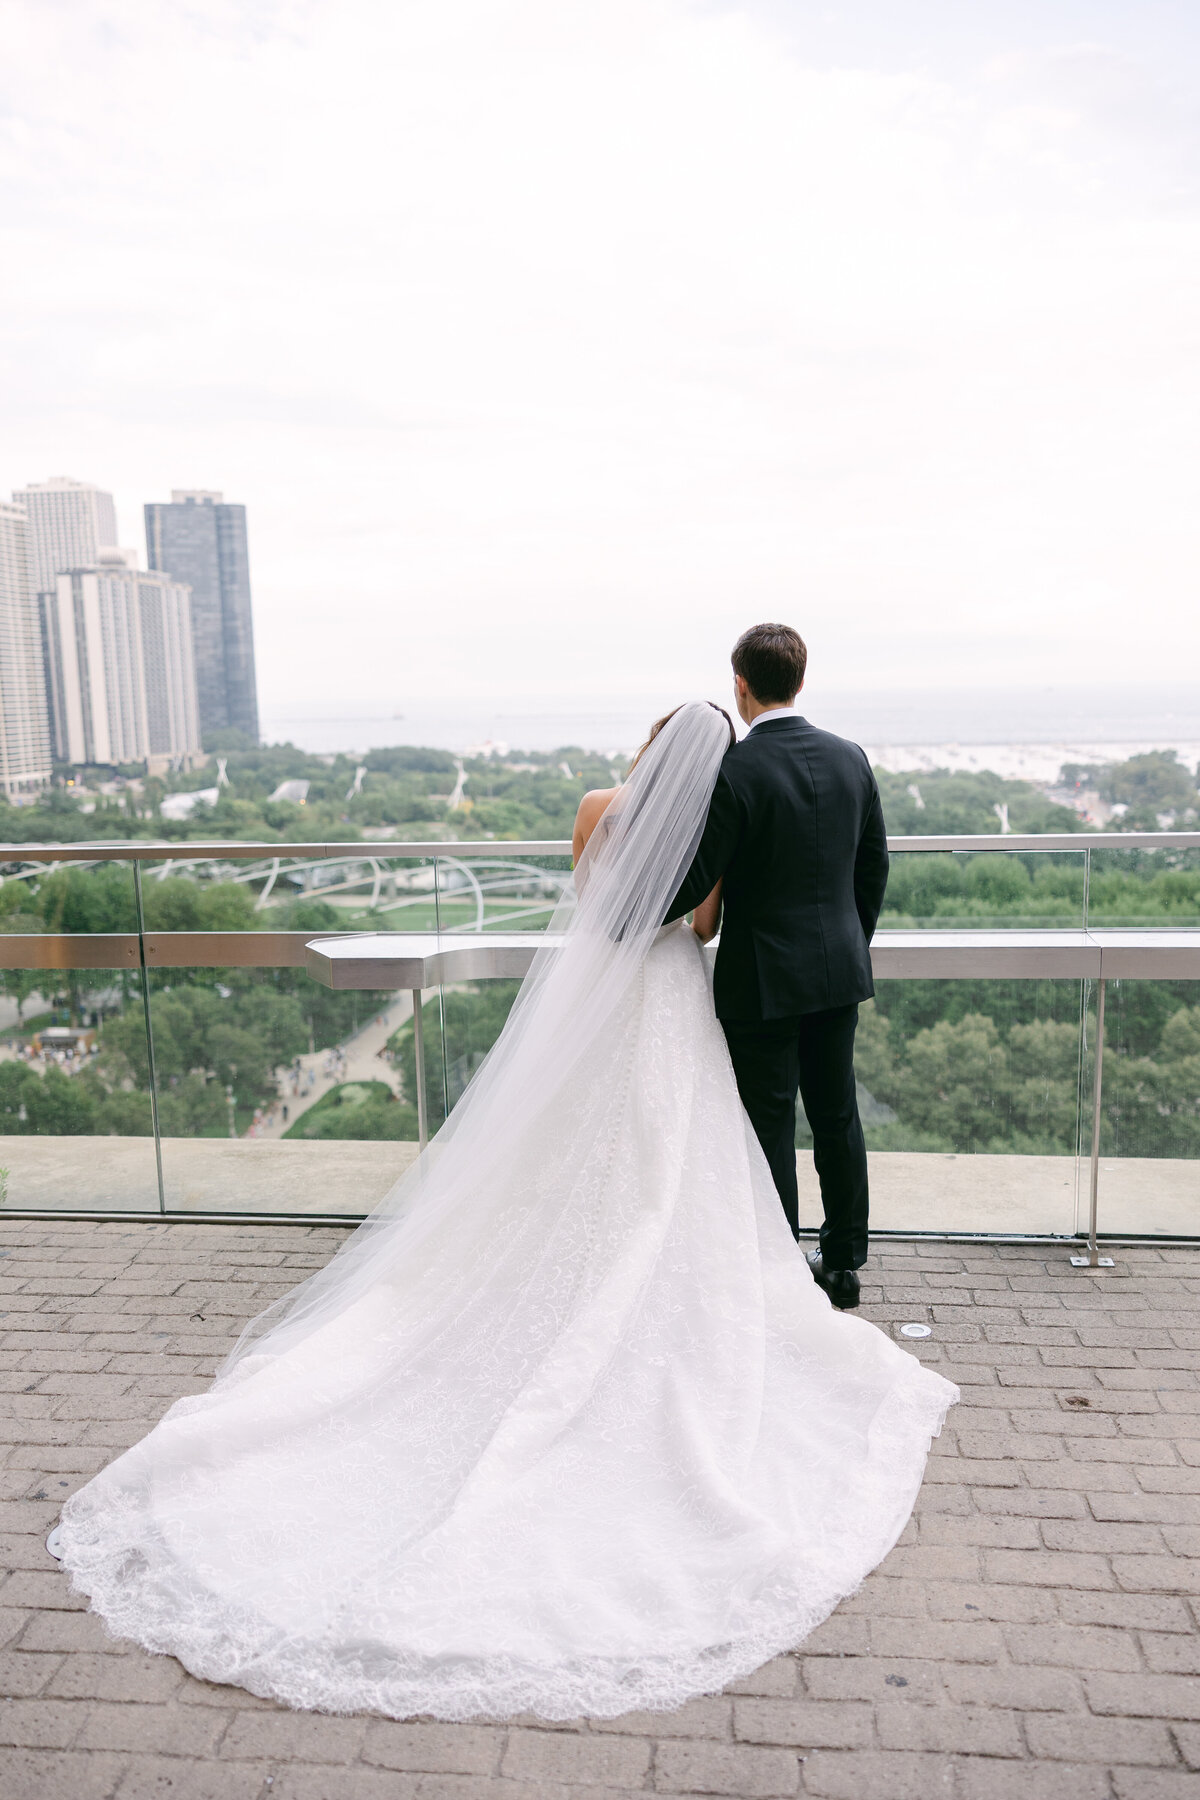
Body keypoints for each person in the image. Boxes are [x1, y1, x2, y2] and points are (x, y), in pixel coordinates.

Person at [56, 700, 955, 1725]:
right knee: (683, 1158)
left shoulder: (592, 806)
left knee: (565, 1158)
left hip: (599, 994)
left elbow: (593, 902)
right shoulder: (716, 829)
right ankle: (773, 1271)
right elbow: (701, 922)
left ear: (651, 743)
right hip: (674, 1000)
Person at [669, 624, 887, 1311]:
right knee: (837, 1117)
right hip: (837, 974)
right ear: (800, 679)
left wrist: (625, 918)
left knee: (768, 1127)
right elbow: (873, 868)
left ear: (740, 685)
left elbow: (700, 875)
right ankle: (845, 1262)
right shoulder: (851, 758)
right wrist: (849, 943)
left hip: (762, 982)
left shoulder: (735, 771)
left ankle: (778, 1266)